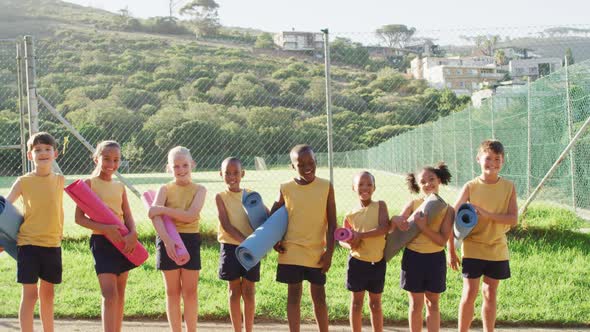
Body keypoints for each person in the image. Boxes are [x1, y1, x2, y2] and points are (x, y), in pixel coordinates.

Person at [448, 140, 518, 332]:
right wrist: (451, 249)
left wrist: (487, 214)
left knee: (490, 293)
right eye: (488, 158)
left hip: (497, 248)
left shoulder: (509, 187)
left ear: (503, 161)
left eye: (497, 159)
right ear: (478, 159)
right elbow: (451, 216)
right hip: (473, 247)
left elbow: (513, 219)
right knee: (469, 293)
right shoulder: (471, 186)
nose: (492, 163)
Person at [271, 144, 337, 332]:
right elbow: (273, 218)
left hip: (316, 253)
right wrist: (275, 240)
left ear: (316, 161)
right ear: (293, 166)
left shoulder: (326, 186)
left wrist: (329, 253)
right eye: (301, 164)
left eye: (311, 162)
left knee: (319, 297)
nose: (307, 166)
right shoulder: (286, 188)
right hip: (291, 251)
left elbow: (332, 224)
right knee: (293, 296)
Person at [74, 140, 138, 332]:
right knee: (109, 295)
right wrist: (105, 228)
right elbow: (79, 218)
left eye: (116, 159)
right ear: (96, 158)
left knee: (119, 293)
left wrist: (133, 234)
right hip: (102, 243)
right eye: (106, 158)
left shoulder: (120, 186)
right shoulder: (88, 184)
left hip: (123, 242)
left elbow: (127, 215)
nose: (111, 164)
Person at [5, 132, 64, 332]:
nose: (43, 153)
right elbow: (5, 207)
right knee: (30, 295)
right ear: (30, 155)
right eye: (37, 150)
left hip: (52, 245)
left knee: (48, 294)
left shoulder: (60, 180)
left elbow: (60, 209)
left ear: (55, 153)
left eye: (47, 149)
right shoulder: (23, 181)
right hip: (28, 245)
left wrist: (60, 232)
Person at [148, 146, 207, 332]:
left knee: (190, 292)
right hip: (167, 240)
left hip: (190, 239)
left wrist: (163, 209)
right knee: (172, 292)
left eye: (184, 165)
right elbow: (154, 217)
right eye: (175, 166)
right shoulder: (164, 189)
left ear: (192, 165)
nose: (180, 170)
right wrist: (166, 240)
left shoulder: (200, 189)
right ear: (168, 168)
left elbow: (190, 215)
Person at [392, 162, 454, 332]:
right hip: (413, 258)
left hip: (435, 260)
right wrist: (395, 220)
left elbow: (442, 240)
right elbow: (397, 224)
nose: (428, 184)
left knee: (433, 303)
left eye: (431, 179)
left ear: (439, 180)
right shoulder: (413, 204)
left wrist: (423, 227)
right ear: (417, 185)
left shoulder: (448, 210)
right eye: (423, 181)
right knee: (415, 304)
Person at [215, 157, 264, 332]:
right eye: (227, 173)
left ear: (242, 174)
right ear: (221, 174)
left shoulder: (251, 195)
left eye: (235, 172)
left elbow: (265, 217)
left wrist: (263, 241)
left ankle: (249, 329)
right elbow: (226, 225)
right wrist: (247, 242)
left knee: (249, 291)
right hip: (231, 248)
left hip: (251, 249)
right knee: (234, 291)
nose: (231, 176)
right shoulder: (220, 197)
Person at [340, 171, 389, 332]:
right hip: (357, 264)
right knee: (356, 304)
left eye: (369, 184)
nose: (365, 188)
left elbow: (383, 228)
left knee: (375, 304)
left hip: (377, 263)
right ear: (354, 188)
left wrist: (361, 235)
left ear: (374, 187)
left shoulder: (381, 205)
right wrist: (351, 245)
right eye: (360, 184)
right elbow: (342, 239)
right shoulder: (350, 215)